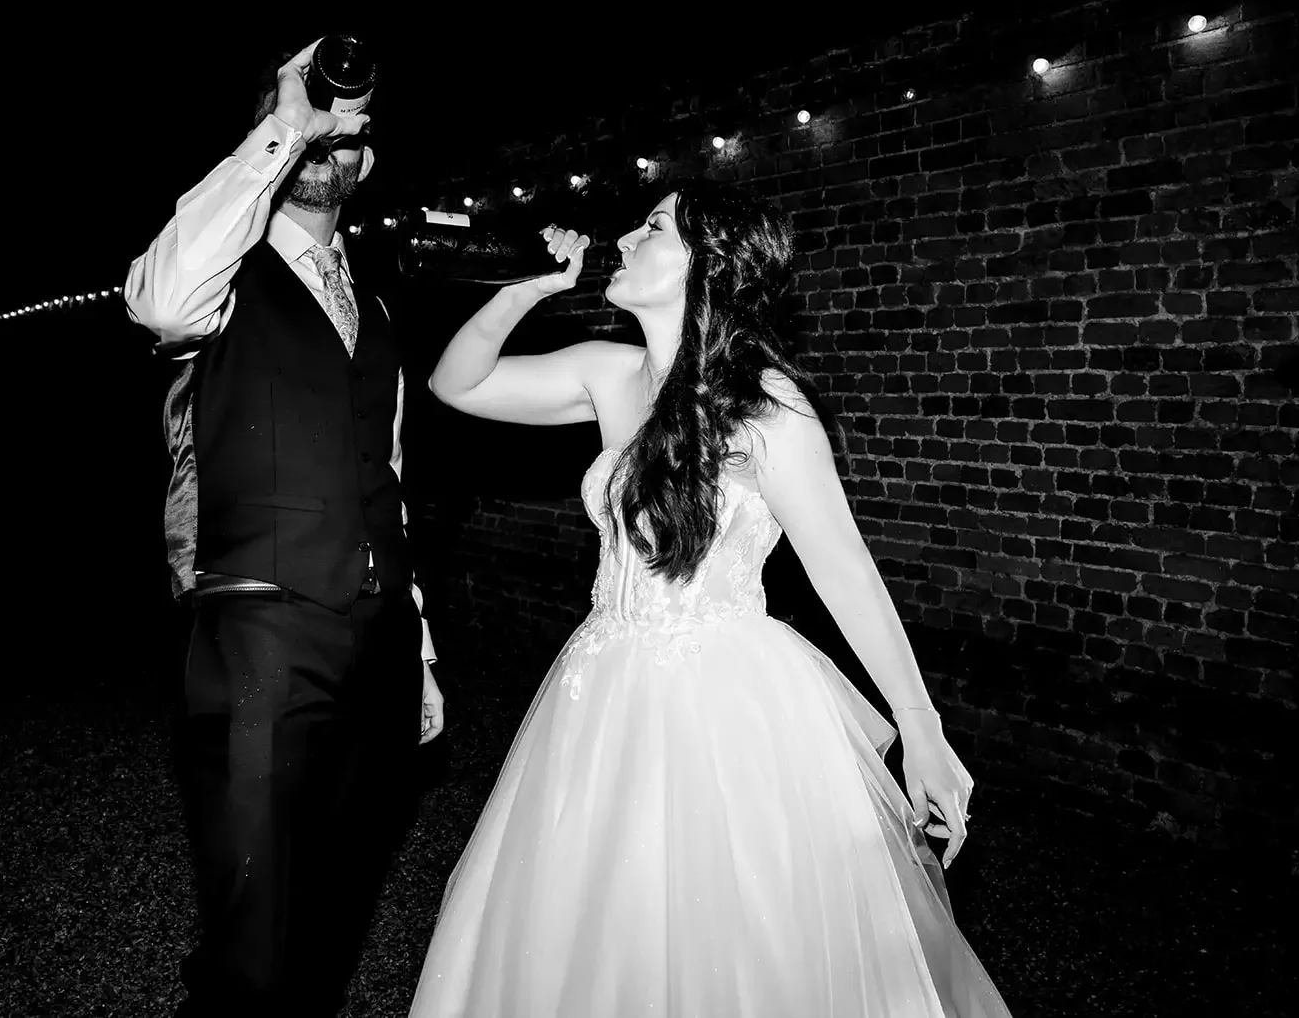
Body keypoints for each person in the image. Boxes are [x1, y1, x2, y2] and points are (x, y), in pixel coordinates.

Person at [408, 181, 1012, 1016]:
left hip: (723, 702)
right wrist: (531, 289)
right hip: (597, 694)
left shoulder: (767, 409)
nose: (626, 233)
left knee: (732, 935)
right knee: (592, 928)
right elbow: (455, 384)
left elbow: (844, 568)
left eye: (652, 226)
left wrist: (921, 727)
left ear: (709, 264)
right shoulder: (607, 373)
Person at [124, 37, 446, 1018]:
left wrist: (418, 642)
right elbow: (159, 298)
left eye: (350, 126)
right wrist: (284, 122)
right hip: (262, 642)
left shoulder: (376, 296)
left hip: (380, 646)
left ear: (367, 161)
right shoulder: (219, 275)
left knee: (334, 915)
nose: (328, 135)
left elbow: (385, 473)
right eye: (310, 113)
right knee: (251, 947)